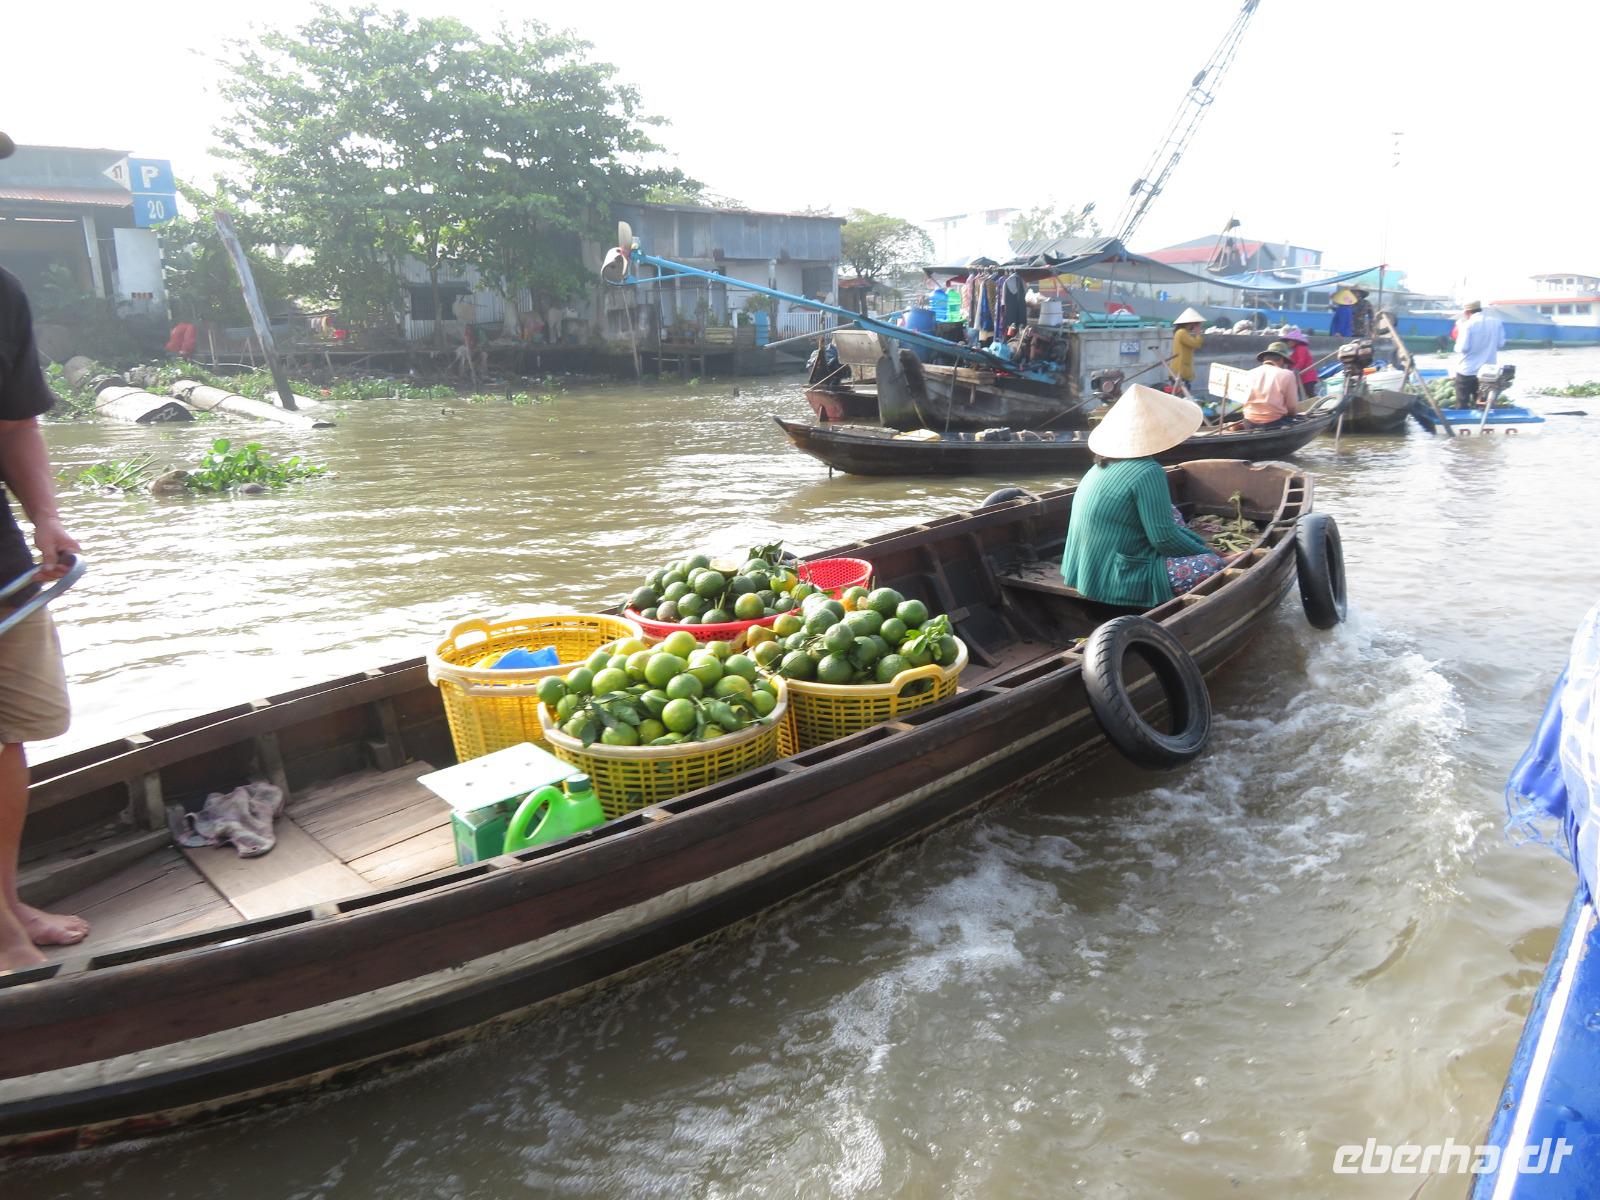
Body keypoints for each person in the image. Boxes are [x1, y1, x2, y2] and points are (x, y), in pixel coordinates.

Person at [0, 255, 85, 968]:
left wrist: (44, 519)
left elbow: (13, 423)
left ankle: (6, 902)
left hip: (0, 566)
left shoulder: (1, 292)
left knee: (9, 732)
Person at [1060, 385, 1226, 606]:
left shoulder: (1100, 465)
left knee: (1172, 513)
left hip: (1084, 570)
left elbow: (1167, 528)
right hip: (1118, 578)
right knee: (1214, 566)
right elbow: (1164, 540)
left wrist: (1204, 548)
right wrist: (1212, 556)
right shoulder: (1148, 471)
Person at [1451, 300, 1506, 408]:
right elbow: (1500, 344)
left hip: (1468, 371)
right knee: (1483, 404)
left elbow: (1462, 348)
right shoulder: (1496, 322)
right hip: (1488, 372)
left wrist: (1457, 339)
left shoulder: (1467, 325)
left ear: (1467, 312)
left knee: (1462, 404)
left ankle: (1463, 421)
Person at [1239, 341, 1301, 428]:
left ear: (1265, 359)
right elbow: (1292, 407)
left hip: (1249, 422)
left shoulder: (1248, 373)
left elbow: (1242, 401)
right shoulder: (1287, 374)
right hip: (1275, 422)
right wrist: (1293, 416)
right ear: (1282, 360)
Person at [1167, 307, 1206, 393]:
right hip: (1180, 372)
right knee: (1182, 397)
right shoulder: (1182, 333)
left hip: (1181, 371)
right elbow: (1197, 344)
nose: (1196, 326)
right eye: (1195, 324)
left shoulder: (1181, 333)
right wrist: (1198, 333)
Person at [1283, 327, 1319, 399]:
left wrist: (1295, 370)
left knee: (1310, 393)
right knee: (1303, 395)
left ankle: (1320, 406)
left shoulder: (1301, 348)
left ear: (1294, 341)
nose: (1287, 343)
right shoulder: (1295, 351)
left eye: (1288, 341)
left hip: (1308, 376)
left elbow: (1301, 361)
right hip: (1301, 377)